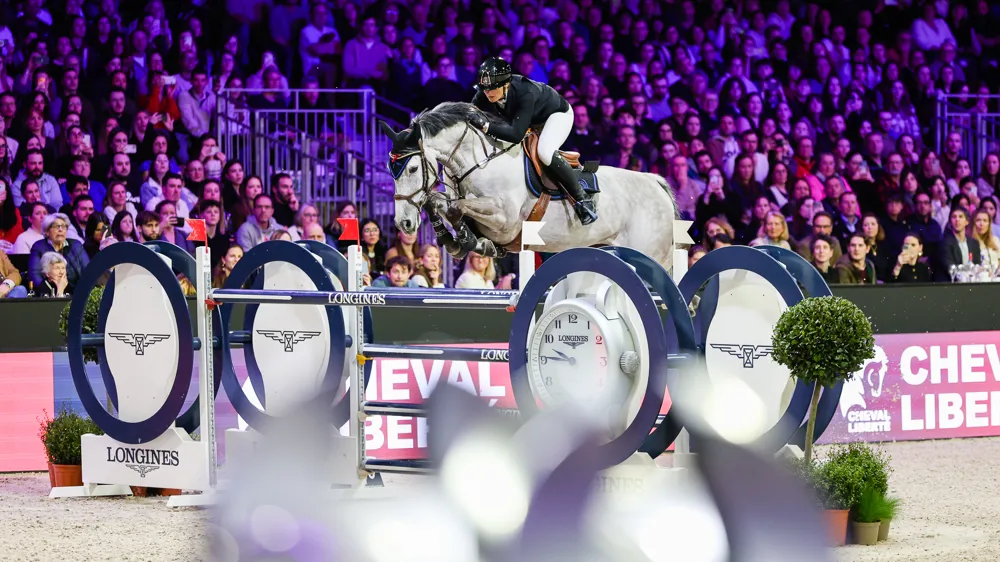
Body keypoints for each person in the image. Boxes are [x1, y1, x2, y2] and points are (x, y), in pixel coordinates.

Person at [468, 57, 597, 225]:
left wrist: (486, 126)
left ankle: (582, 199)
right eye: (484, 89)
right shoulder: (488, 88)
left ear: (506, 84)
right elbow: (470, 111)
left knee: (545, 152)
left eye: (492, 88)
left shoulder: (525, 92)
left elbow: (515, 134)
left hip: (556, 115)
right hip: (530, 119)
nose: (487, 93)